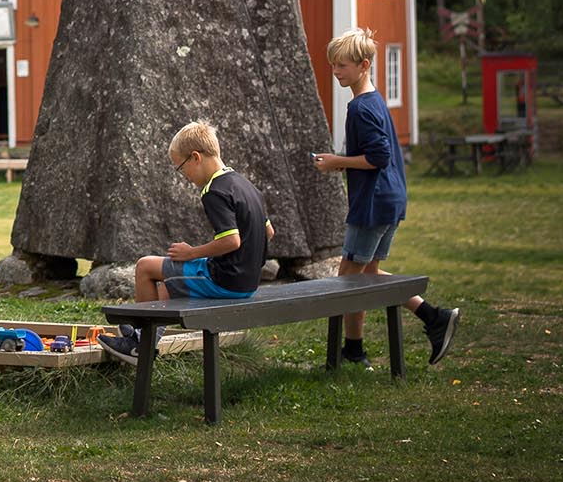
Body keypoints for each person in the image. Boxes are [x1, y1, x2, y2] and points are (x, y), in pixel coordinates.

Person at [313, 27, 461, 367]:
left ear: (364, 65)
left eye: (343, 66)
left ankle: (428, 320)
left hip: (373, 203)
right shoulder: (374, 100)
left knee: (350, 277)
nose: (336, 72)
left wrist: (337, 162)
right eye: (333, 65)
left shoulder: (362, 108)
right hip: (390, 198)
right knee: (366, 274)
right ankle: (360, 348)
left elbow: (377, 157)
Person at [100, 121, 273, 361]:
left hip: (225, 282)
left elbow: (232, 241)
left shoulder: (214, 191)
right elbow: (269, 232)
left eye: (181, 168)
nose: (184, 175)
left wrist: (192, 253)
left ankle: (140, 344)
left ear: (195, 157)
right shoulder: (245, 185)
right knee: (170, 280)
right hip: (248, 282)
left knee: (145, 267)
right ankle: (145, 335)